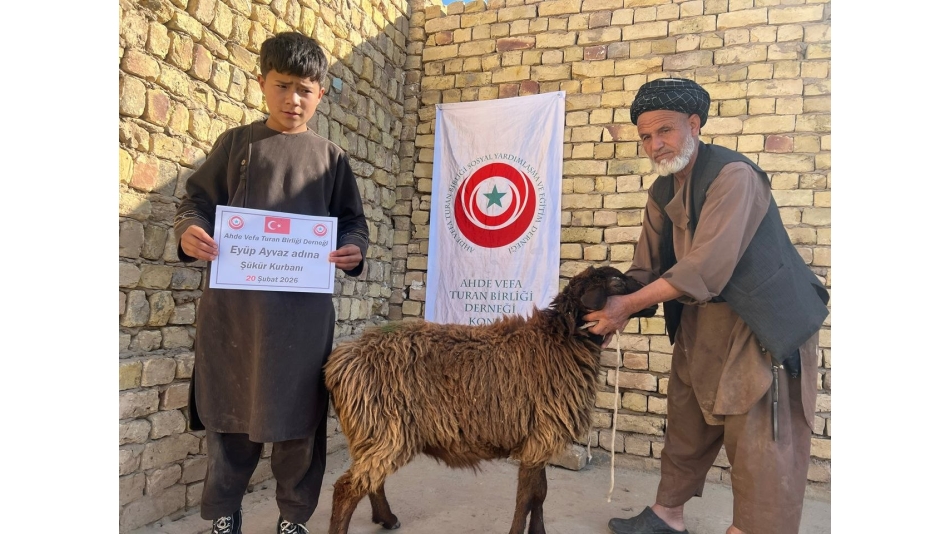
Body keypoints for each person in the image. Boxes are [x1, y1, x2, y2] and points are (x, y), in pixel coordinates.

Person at [585, 78, 829, 534]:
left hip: (762, 325)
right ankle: (667, 516)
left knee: (759, 436)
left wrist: (628, 305)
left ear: (693, 124)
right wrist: (601, 300)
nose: (655, 145)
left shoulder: (734, 176)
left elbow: (705, 267)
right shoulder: (662, 192)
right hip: (703, 319)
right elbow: (645, 269)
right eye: (645, 136)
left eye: (665, 131)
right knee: (686, 417)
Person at [174, 32, 369, 534]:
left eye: (305, 89)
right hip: (232, 315)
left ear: (321, 93)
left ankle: (292, 518)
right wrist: (190, 231)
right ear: (262, 83)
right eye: (282, 86)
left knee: (299, 426)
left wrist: (354, 249)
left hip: (302, 322)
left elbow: (352, 221)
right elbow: (194, 202)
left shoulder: (331, 158)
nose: (293, 99)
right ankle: (225, 515)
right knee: (229, 421)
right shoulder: (235, 144)